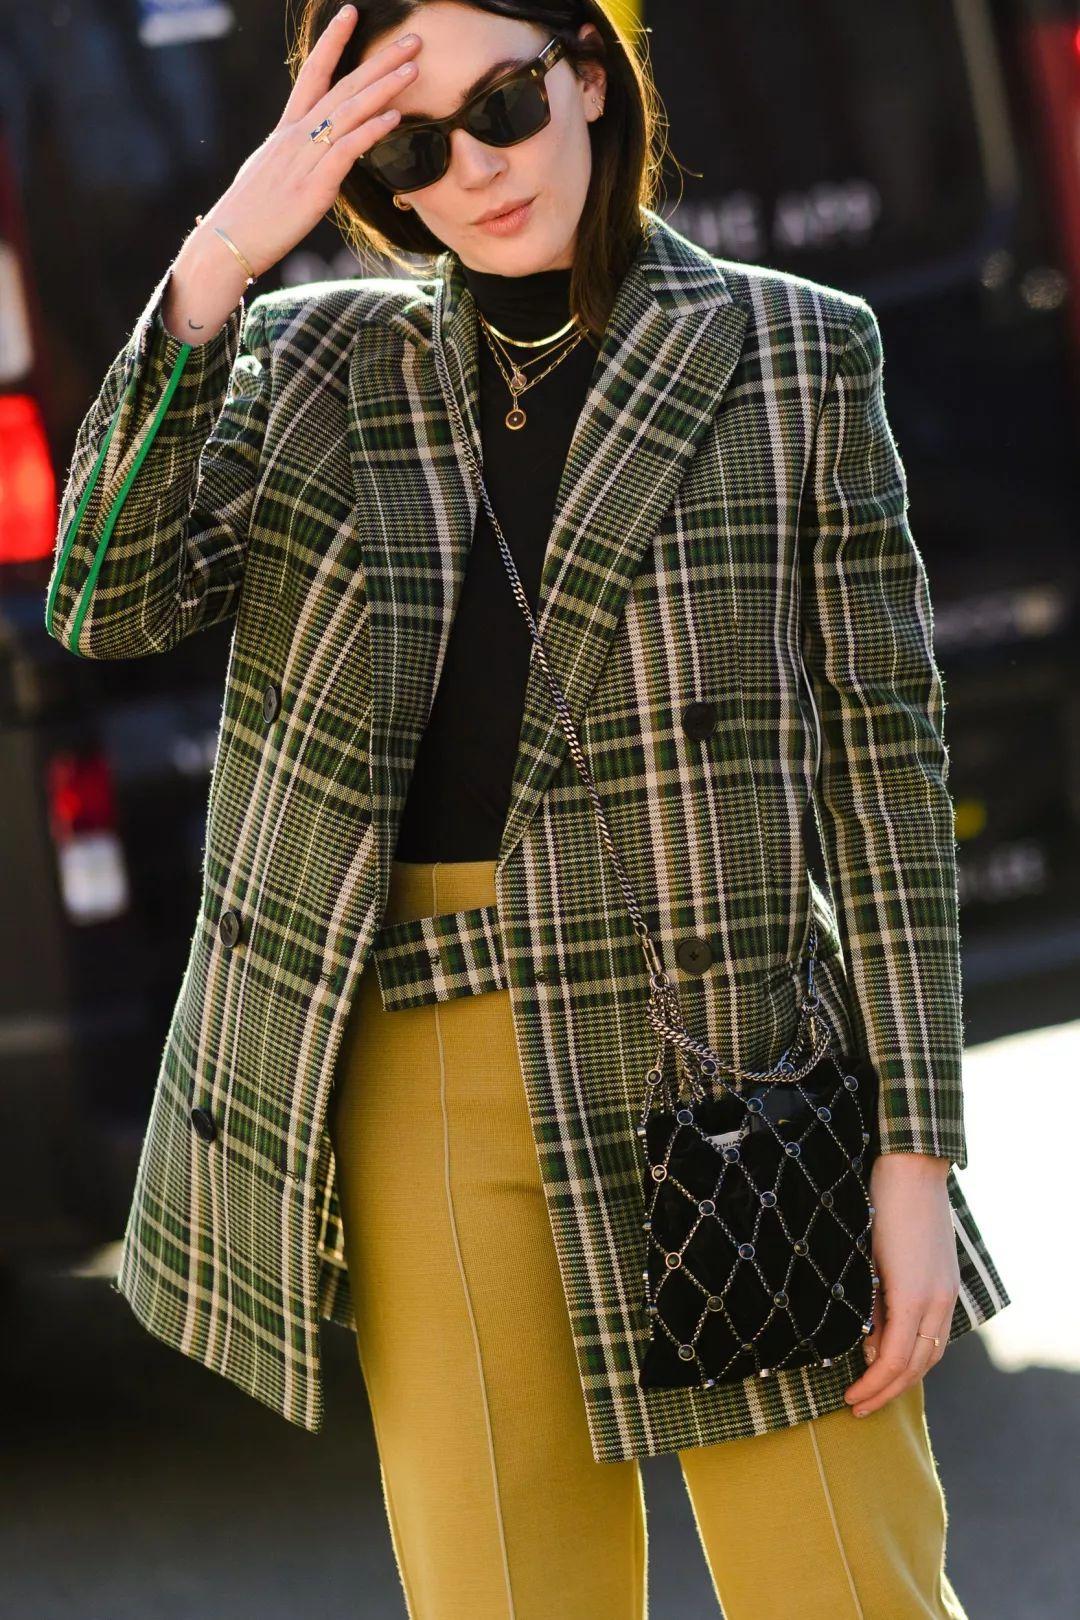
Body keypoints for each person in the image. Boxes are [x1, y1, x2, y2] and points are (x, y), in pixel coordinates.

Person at [44, 2, 1011, 1614]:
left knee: (847, 1586)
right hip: (420, 1063)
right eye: (411, 148)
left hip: (731, 1056)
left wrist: (914, 1154)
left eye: (501, 104)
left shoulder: (793, 350)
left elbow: (887, 774)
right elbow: (102, 597)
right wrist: (221, 260)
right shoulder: (315, 365)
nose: (474, 169)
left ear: (588, 74)